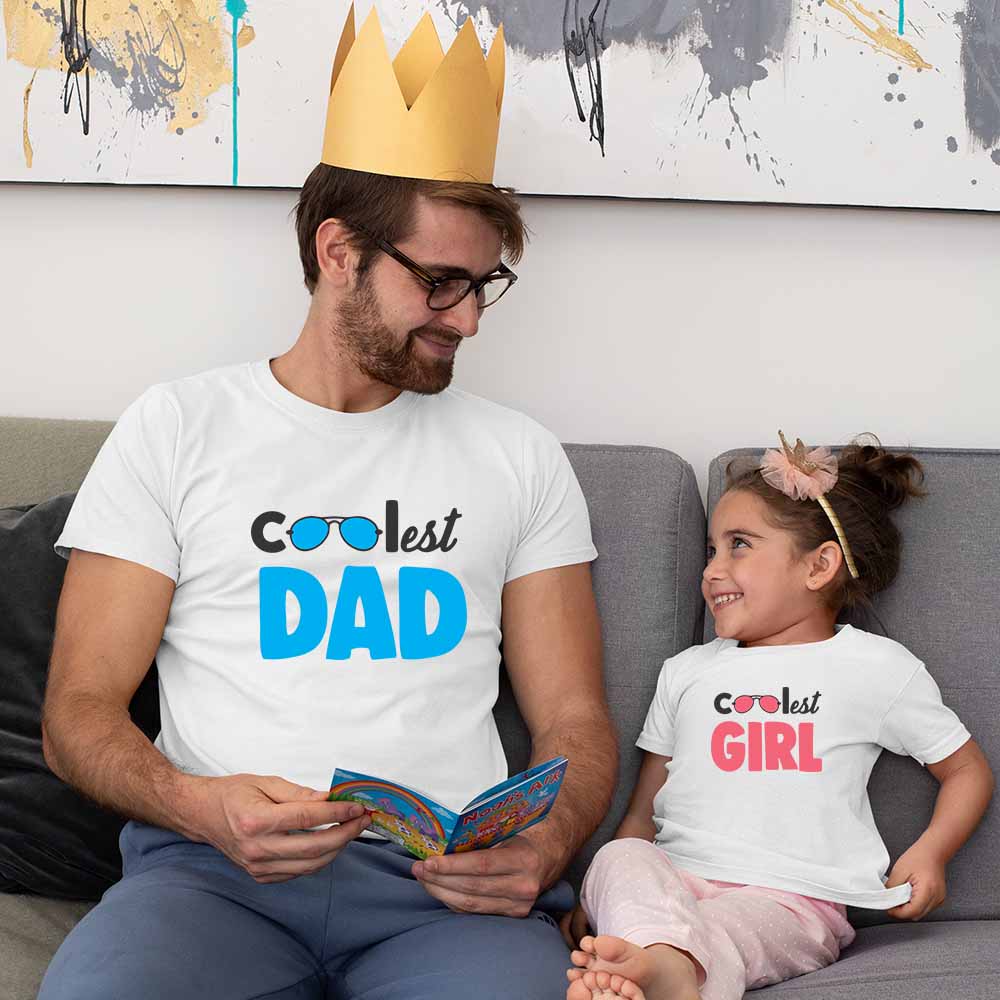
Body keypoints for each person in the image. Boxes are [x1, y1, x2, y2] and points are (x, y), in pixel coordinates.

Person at [38, 8, 617, 999]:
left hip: (440, 896)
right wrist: (197, 805)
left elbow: (574, 717)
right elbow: (76, 714)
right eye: (440, 282)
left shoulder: (519, 456)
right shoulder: (175, 427)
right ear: (339, 250)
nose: (469, 320)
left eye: (483, 285)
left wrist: (550, 841)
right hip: (211, 878)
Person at [562, 434, 994, 1000]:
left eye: (738, 545)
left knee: (726, 933)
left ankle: (661, 970)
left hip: (792, 900)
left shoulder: (875, 667)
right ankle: (654, 963)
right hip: (675, 881)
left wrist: (932, 851)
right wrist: (600, 897)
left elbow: (967, 770)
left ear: (819, 566)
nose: (711, 570)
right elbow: (644, 813)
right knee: (619, 857)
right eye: (711, 551)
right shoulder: (686, 672)